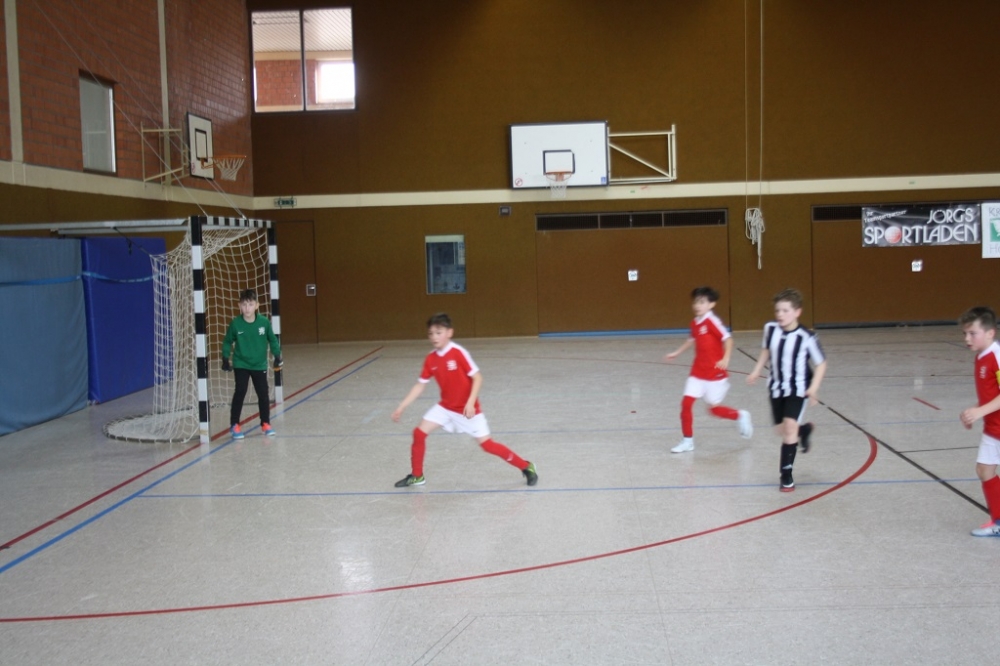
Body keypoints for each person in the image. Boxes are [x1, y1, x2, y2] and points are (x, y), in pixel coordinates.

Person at [391, 312, 537, 488]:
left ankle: (526, 466)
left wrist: (470, 402)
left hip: (468, 411)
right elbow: (420, 385)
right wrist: (402, 406)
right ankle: (417, 475)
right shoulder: (431, 358)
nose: (434, 337)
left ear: (449, 333)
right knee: (419, 433)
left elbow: (478, 378)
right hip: (445, 407)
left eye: (439, 332)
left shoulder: (458, 353)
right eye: (431, 333)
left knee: (487, 445)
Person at [747, 288, 826, 492]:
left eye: (785, 311)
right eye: (777, 310)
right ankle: (804, 430)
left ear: (797, 312)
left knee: (789, 428)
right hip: (776, 387)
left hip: (798, 388)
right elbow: (766, 350)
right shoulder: (770, 329)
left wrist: (814, 387)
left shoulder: (807, 337)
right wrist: (756, 370)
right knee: (781, 429)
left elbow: (821, 364)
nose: (780, 315)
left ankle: (786, 475)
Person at [664, 286, 753, 453]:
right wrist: (676, 352)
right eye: (696, 302)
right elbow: (691, 340)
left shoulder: (712, 321)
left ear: (711, 304)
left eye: (702, 302)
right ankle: (687, 441)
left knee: (714, 410)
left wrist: (726, 358)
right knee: (686, 404)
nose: (697, 305)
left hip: (714, 374)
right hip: (697, 372)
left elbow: (728, 339)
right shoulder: (694, 323)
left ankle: (740, 415)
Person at [957, 307, 1000, 537]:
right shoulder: (980, 357)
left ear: (990, 333)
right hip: (993, 428)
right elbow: (991, 394)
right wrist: (974, 411)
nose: (967, 338)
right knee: (984, 470)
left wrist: (980, 411)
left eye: (973, 333)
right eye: (965, 333)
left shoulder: (997, 356)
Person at [221, 288, 282, 439]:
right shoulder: (236, 324)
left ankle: (265, 423)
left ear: (256, 305)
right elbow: (227, 341)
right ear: (239, 306)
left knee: (263, 393)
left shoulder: (264, 322)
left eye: (250, 304)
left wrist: (277, 355)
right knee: (240, 391)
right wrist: (225, 358)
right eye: (244, 304)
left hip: (259, 364)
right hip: (241, 363)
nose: (247, 308)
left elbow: (272, 339)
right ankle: (235, 424)